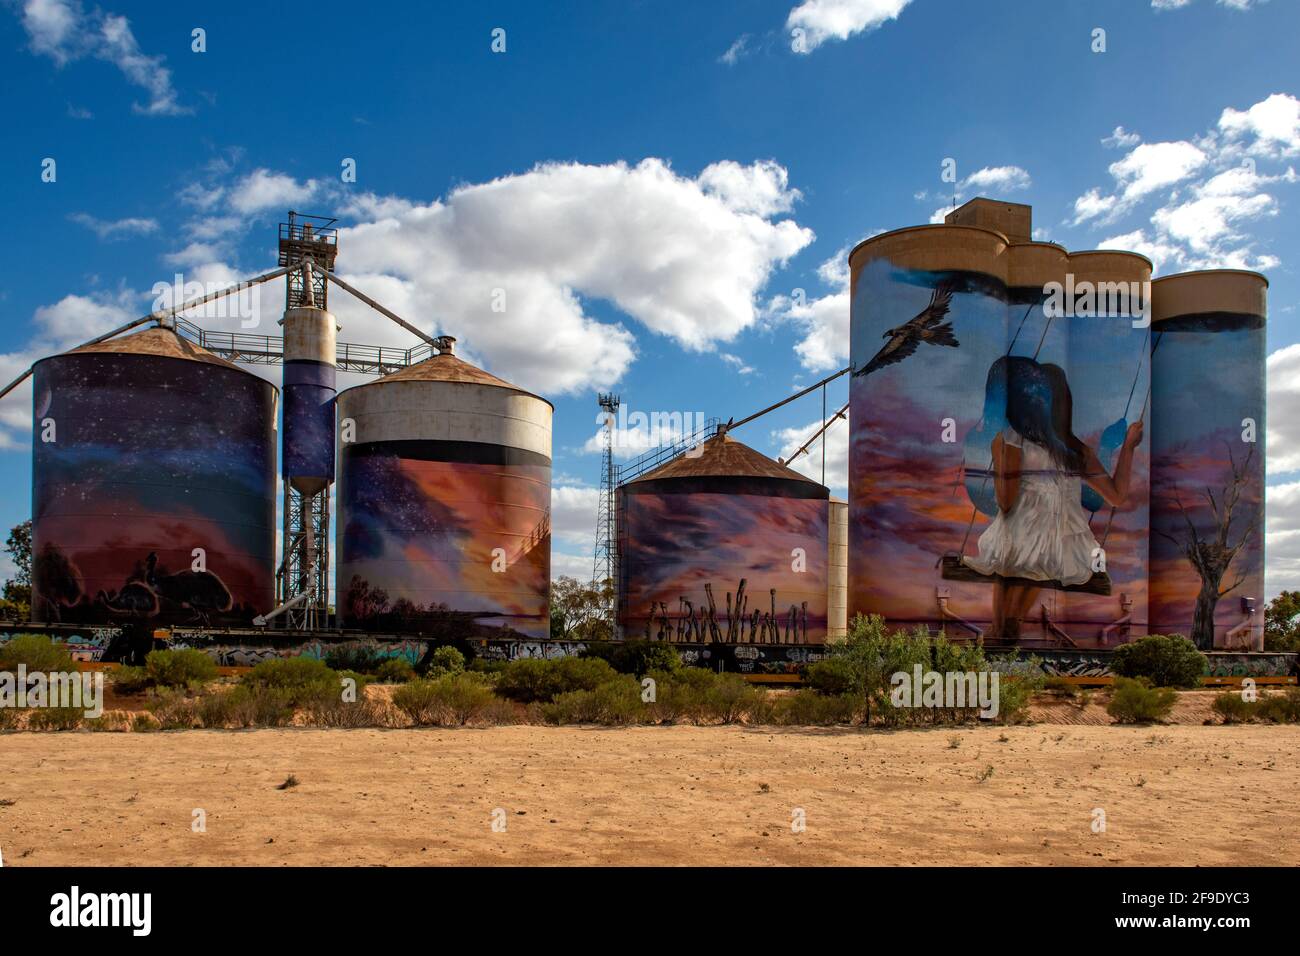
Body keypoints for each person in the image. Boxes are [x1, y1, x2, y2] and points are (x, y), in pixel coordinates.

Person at [963, 356, 1143, 640]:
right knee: (1029, 554)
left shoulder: (1011, 440)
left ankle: (1003, 629)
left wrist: (1000, 462)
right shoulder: (1077, 452)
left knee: (1015, 551)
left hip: (1028, 543)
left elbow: (1007, 503)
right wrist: (1129, 447)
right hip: (1066, 548)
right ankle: (1006, 628)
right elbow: (1118, 496)